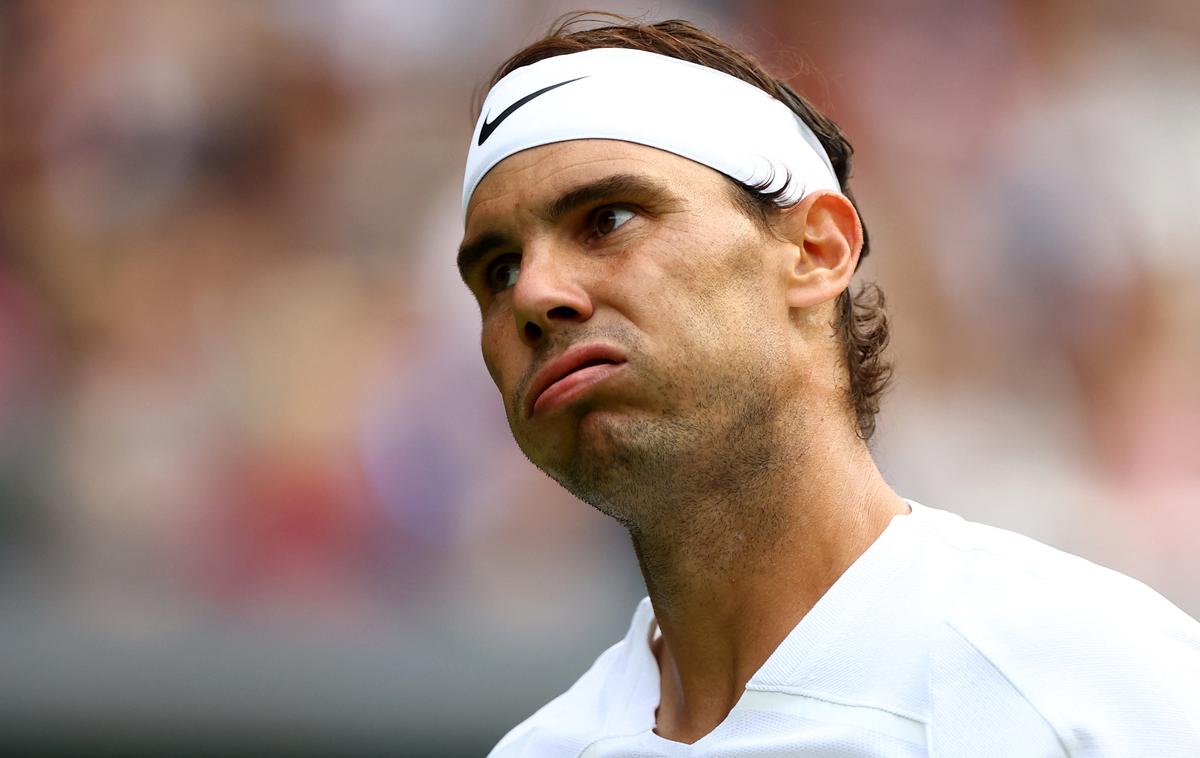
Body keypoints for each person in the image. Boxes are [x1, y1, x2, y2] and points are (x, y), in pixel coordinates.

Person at [456, 15, 1200, 757]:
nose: (532, 294)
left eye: (608, 218)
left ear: (817, 250)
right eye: (499, 270)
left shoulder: (1097, 690)